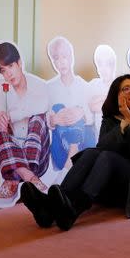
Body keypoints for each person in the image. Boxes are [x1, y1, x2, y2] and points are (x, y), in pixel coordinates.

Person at [19, 74, 130, 230]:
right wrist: (124, 123)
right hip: (119, 184)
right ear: (117, 96)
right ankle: (51, 208)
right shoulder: (111, 118)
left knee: (107, 157)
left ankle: (72, 210)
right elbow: (103, 146)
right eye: (126, 89)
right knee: (91, 153)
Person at [0, 42, 50, 206]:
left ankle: (13, 179)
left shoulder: (39, 85)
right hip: (8, 152)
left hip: (36, 156)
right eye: (3, 70)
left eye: (10, 66)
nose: (8, 73)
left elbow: (41, 106)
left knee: (38, 117)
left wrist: (10, 114)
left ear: (19, 63)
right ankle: (29, 177)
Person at [46, 37, 95, 172]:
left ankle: (73, 152)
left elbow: (92, 118)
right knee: (58, 107)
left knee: (78, 110)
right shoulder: (49, 87)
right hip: (60, 147)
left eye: (65, 56)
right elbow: (44, 118)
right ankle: (70, 157)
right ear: (52, 61)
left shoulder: (84, 86)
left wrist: (82, 113)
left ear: (71, 57)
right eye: (56, 58)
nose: (61, 62)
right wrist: (53, 119)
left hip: (83, 145)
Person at [87, 44, 117, 140]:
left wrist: (100, 100)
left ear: (113, 66)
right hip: (99, 139)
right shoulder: (93, 84)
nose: (103, 69)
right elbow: (91, 106)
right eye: (100, 64)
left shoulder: (121, 85)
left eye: (107, 64)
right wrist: (108, 100)